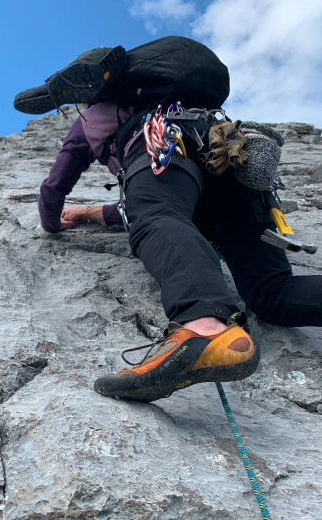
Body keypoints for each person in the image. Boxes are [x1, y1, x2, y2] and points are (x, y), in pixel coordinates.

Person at [37, 98, 322, 403]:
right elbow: (168, 202)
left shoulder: (97, 113)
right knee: (272, 293)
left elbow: (62, 188)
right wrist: (90, 213)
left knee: (156, 217)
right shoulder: (193, 103)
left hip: (167, 151)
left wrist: (51, 223)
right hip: (232, 166)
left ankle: (206, 329)